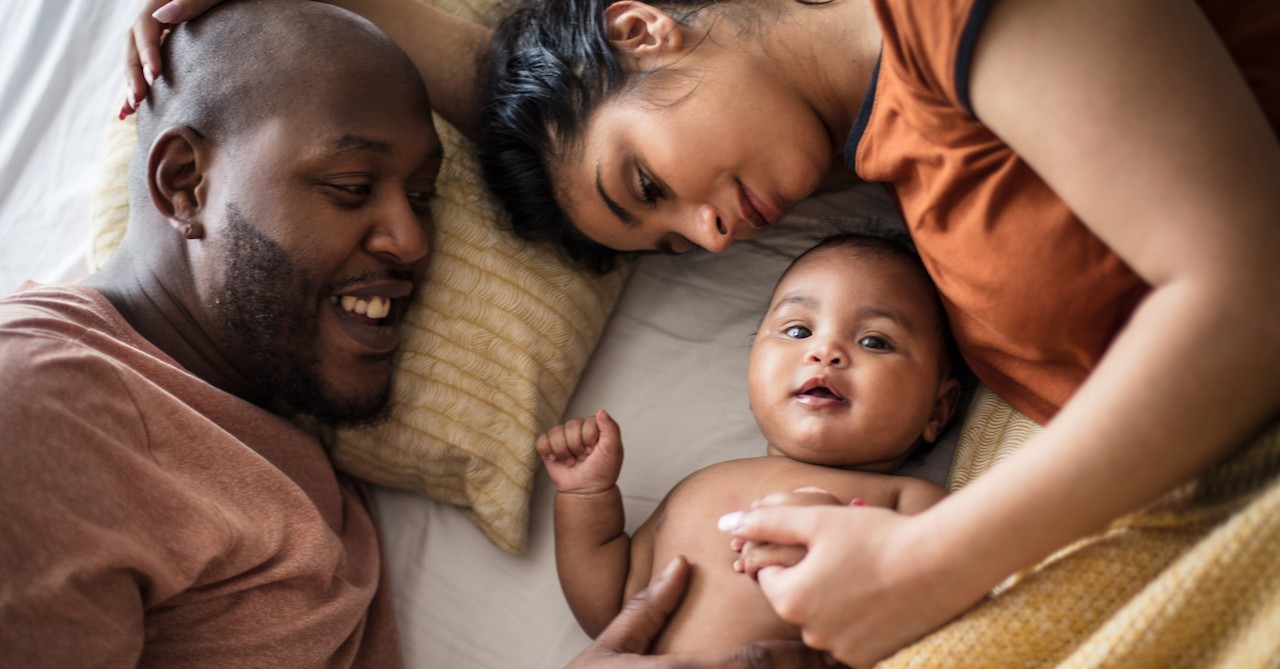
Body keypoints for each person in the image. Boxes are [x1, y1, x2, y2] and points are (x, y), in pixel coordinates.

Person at [125, 0, 1280, 666]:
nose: (710, 234)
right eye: (671, 245)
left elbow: (1251, 297)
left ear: (645, 23)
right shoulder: (869, 147)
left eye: (647, 186)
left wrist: (935, 558)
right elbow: (528, 86)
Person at [537, 233, 960, 654]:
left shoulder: (914, 504)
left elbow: (938, 623)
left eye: (874, 341)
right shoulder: (697, 489)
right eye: (797, 330)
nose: (824, 350)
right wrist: (586, 498)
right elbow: (612, 614)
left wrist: (838, 549)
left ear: (937, 410)